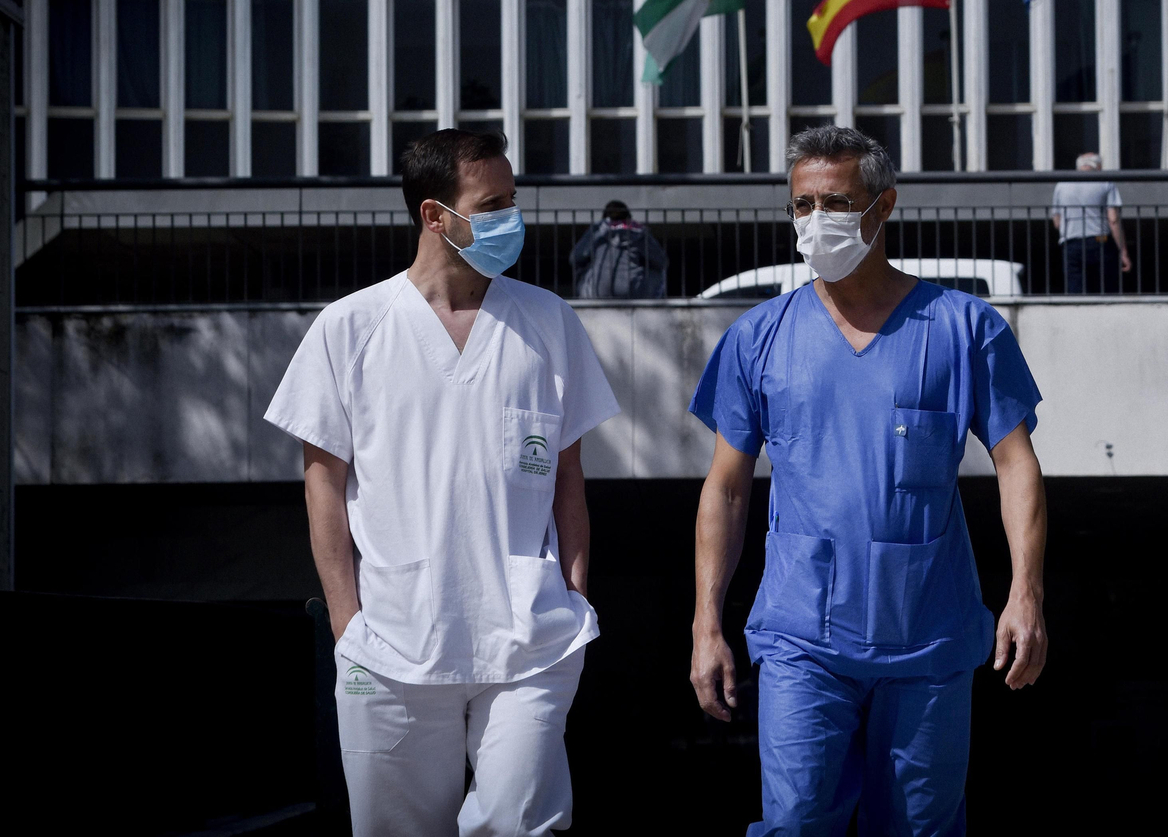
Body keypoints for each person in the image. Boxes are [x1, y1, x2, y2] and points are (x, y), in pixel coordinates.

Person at [688, 125, 1049, 837]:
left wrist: (1026, 593)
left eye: (836, 202)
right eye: (803, 205)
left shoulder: (964, 329)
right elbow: (725, 488)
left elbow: (1017, 465)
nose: (816, 219)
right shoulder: (758, 339)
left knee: (921, 830)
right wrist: (706, 624)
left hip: (929, 638)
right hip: (801, 638)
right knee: (793, 823)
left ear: (884, 207)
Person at [264, 129, 619, 837]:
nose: (511, 218)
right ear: (434, 215)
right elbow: (323, 486)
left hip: (530, 638)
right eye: (491, 205)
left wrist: (574, 593)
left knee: (522, 825)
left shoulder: (548, 322)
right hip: (390, 643)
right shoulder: (349, 328)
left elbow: (568, 477)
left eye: (513, 200)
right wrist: (347, 623)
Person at [1051, 152, 1132, 294]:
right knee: (1104, 290)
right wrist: (1123, 252)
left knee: (1075, 292)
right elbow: (1113, 219)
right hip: (1099, 241)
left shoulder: (1061, 185)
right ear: (1098, 166)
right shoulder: (1105, 182)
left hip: (1071, 243)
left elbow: (1057, 222)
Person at [570, 200, 669, 299]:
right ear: (628, 216)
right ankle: (652, 302)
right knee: (657, 270)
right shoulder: (638, 231)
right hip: (631, 291)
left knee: (582, 264)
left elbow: (574, 258)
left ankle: (584, 299)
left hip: (596, 291)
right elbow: (662, 261)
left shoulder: (597, 230)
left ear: (604, 216)